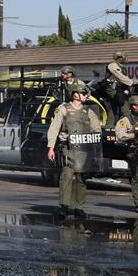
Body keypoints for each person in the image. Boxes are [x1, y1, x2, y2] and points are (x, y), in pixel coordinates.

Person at [45, 84, 102, 219]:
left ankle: (79, 208)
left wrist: (95, 147)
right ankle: (64, 207)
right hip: (68, 149)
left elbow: (97, 130)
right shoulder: (64, 109)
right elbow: (54, 128)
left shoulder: (89, 111)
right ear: (75, 94)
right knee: (67, 176)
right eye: (84, 94)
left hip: (83, 150)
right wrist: (51, 147)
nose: (86, 96)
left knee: (81, 178)